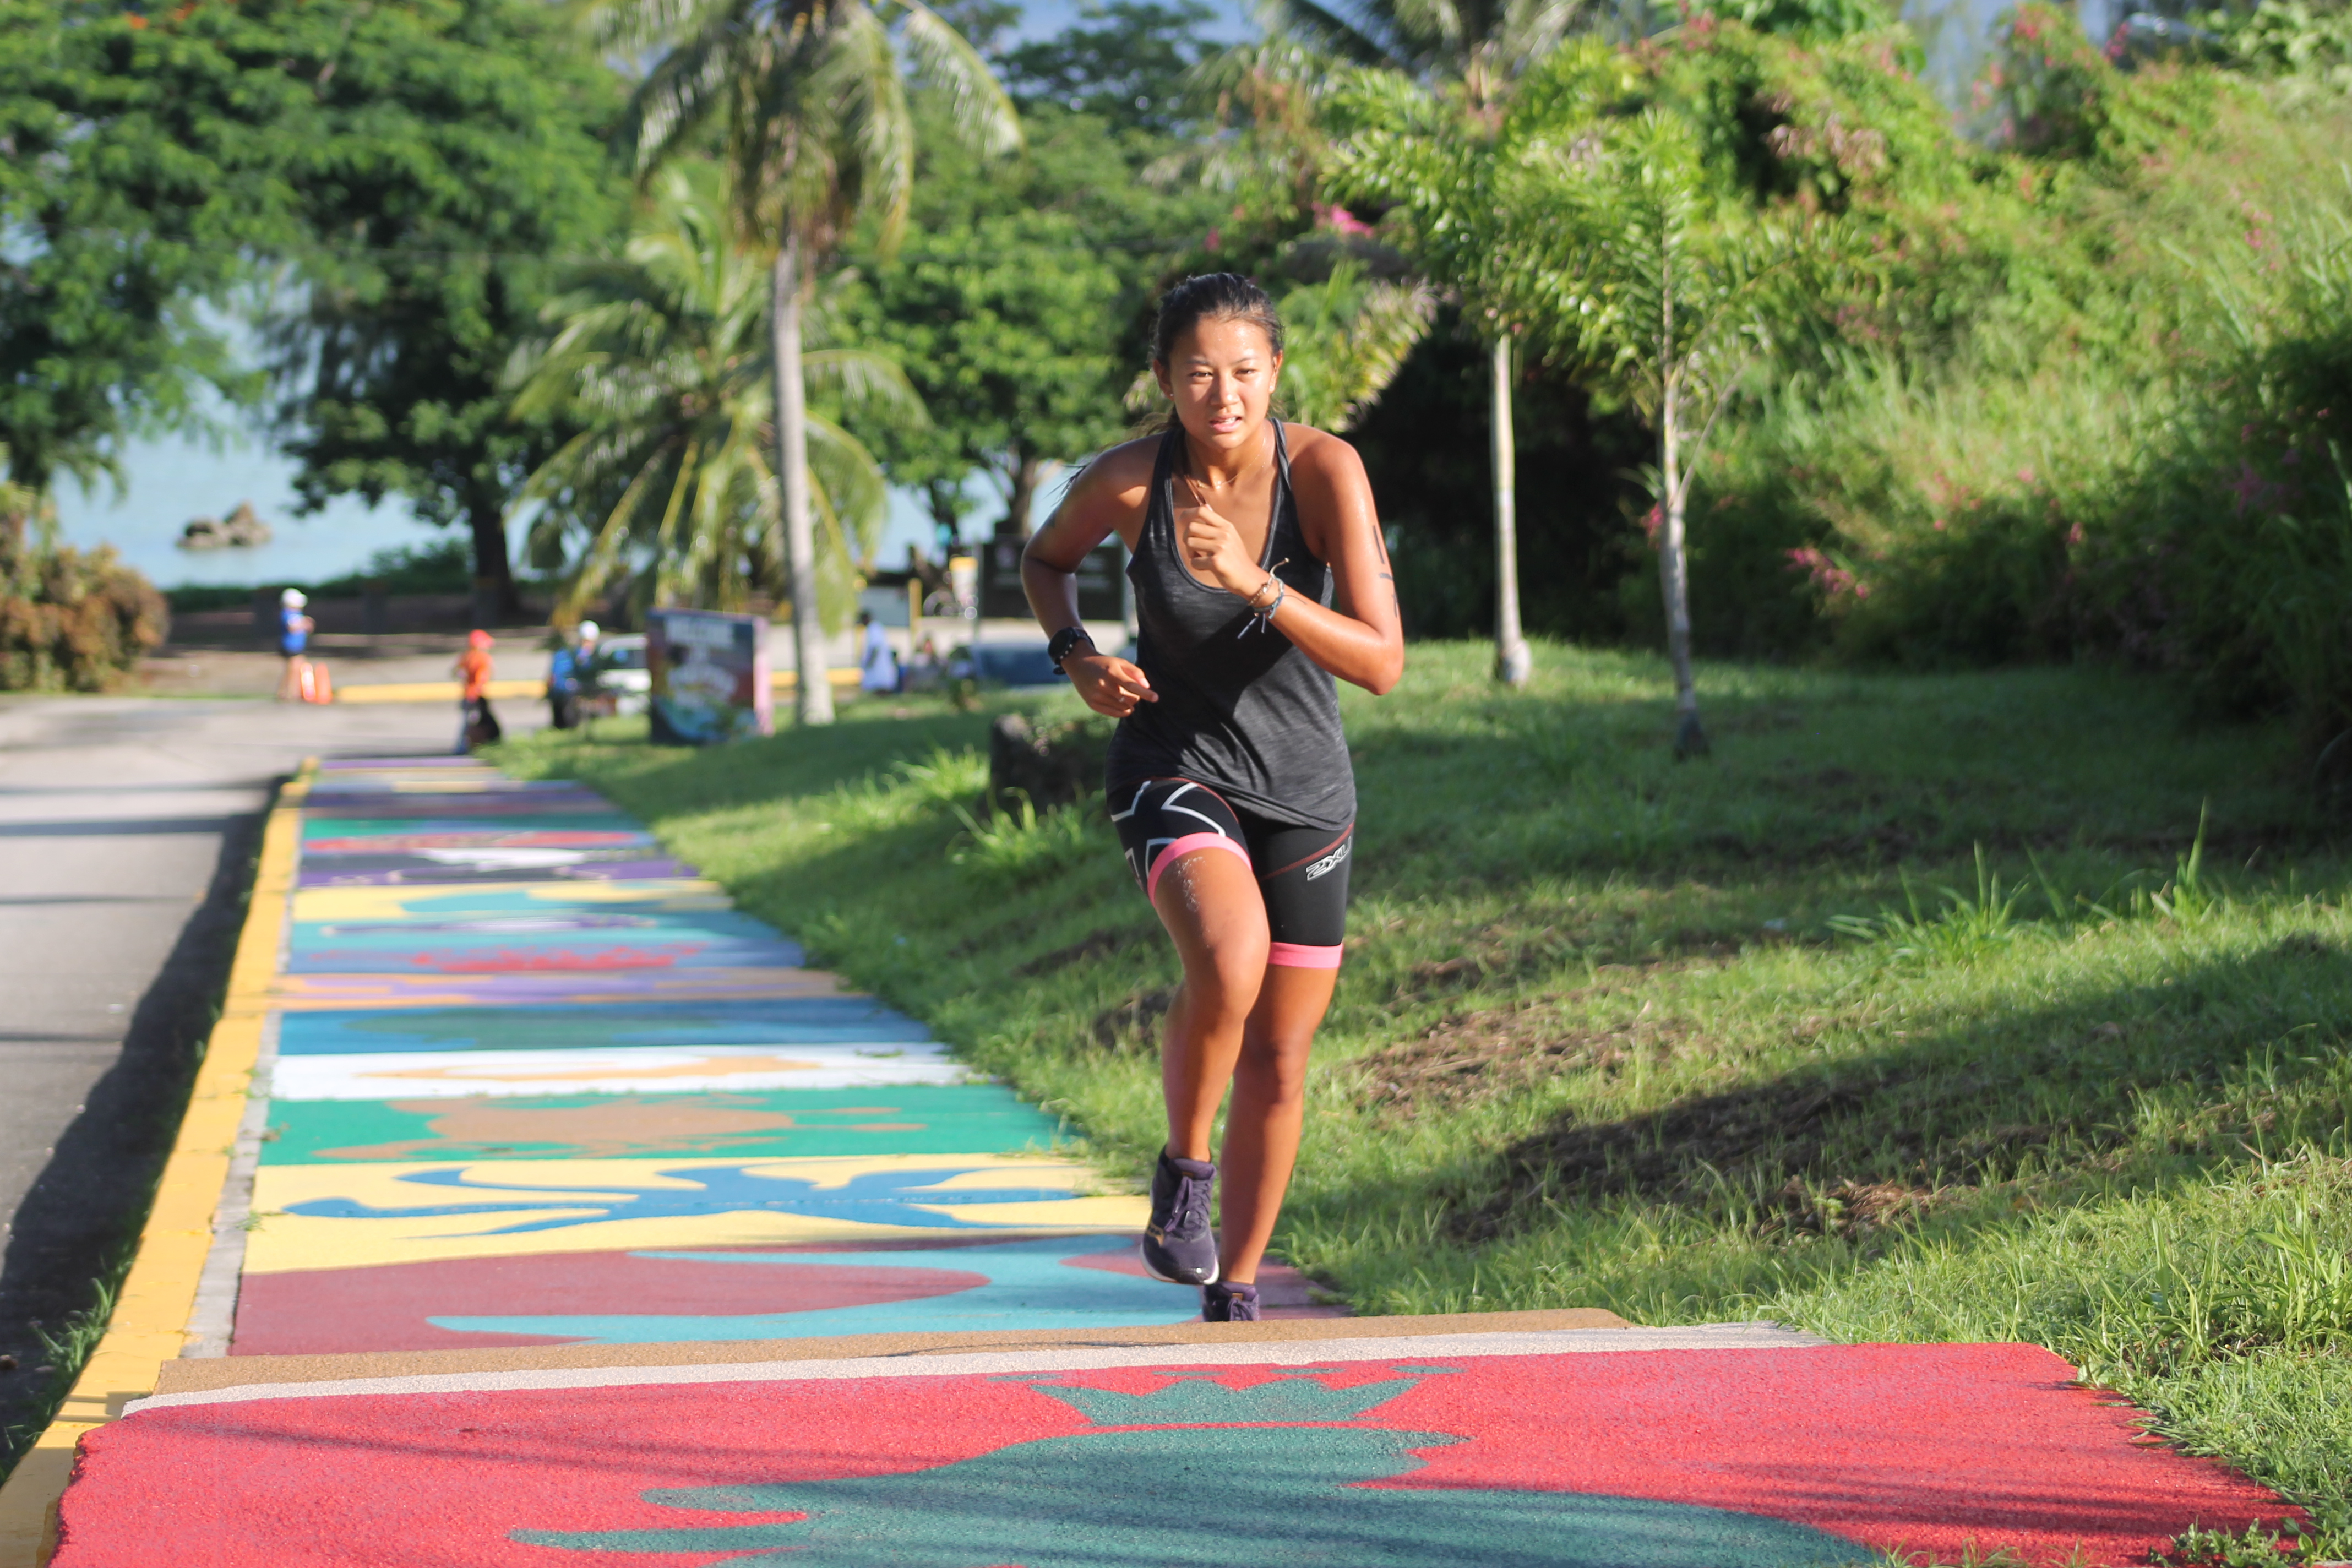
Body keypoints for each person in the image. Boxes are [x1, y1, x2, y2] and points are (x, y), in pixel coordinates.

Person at [1020, 273, 1404, 1323]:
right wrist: (1077, 657)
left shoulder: (1325, 470)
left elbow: (1381, 661)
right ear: (1164, 380)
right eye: (1197, 374)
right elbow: (1043, 560)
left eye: (1243, 372)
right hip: (1170, 761)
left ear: (1275, 370)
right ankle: (1182, 1171)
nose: (1222, 395)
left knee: (1280, 1055)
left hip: (1306, 789)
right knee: (1226, 961)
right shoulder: (1131, 480)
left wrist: (1255, 582)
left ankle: (1234, 1286)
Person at [546, 620, 600, 730]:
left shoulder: (563, 654)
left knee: (560, 722)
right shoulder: (580, 655)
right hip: (568, 692)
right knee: (568, 721)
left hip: (558, 691)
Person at [453, 629, 499, 753]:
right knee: (475, 721)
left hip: (467, 694)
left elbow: (456, 672)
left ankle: (462, 744)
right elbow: (482, 677)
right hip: (476, 695)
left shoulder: (466, 656)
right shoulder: (483, 658)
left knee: (467, 721)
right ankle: (466, 745)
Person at [274, 589, 314, 701]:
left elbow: (306, 628)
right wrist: (303, 624)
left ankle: (290, 692)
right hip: (290, 646)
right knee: (293, 669)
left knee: (297, 669)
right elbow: (292, 627)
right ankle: (289, 692)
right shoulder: (288, 614)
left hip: (298, 646)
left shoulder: (297, 614)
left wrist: (307, 624)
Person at [858, 609, 900, 694]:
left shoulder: (874, 629)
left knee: (879, 690)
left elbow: (876, 648)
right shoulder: (874, 629)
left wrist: (869, 663)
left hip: (879, 673)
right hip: (879, 673)